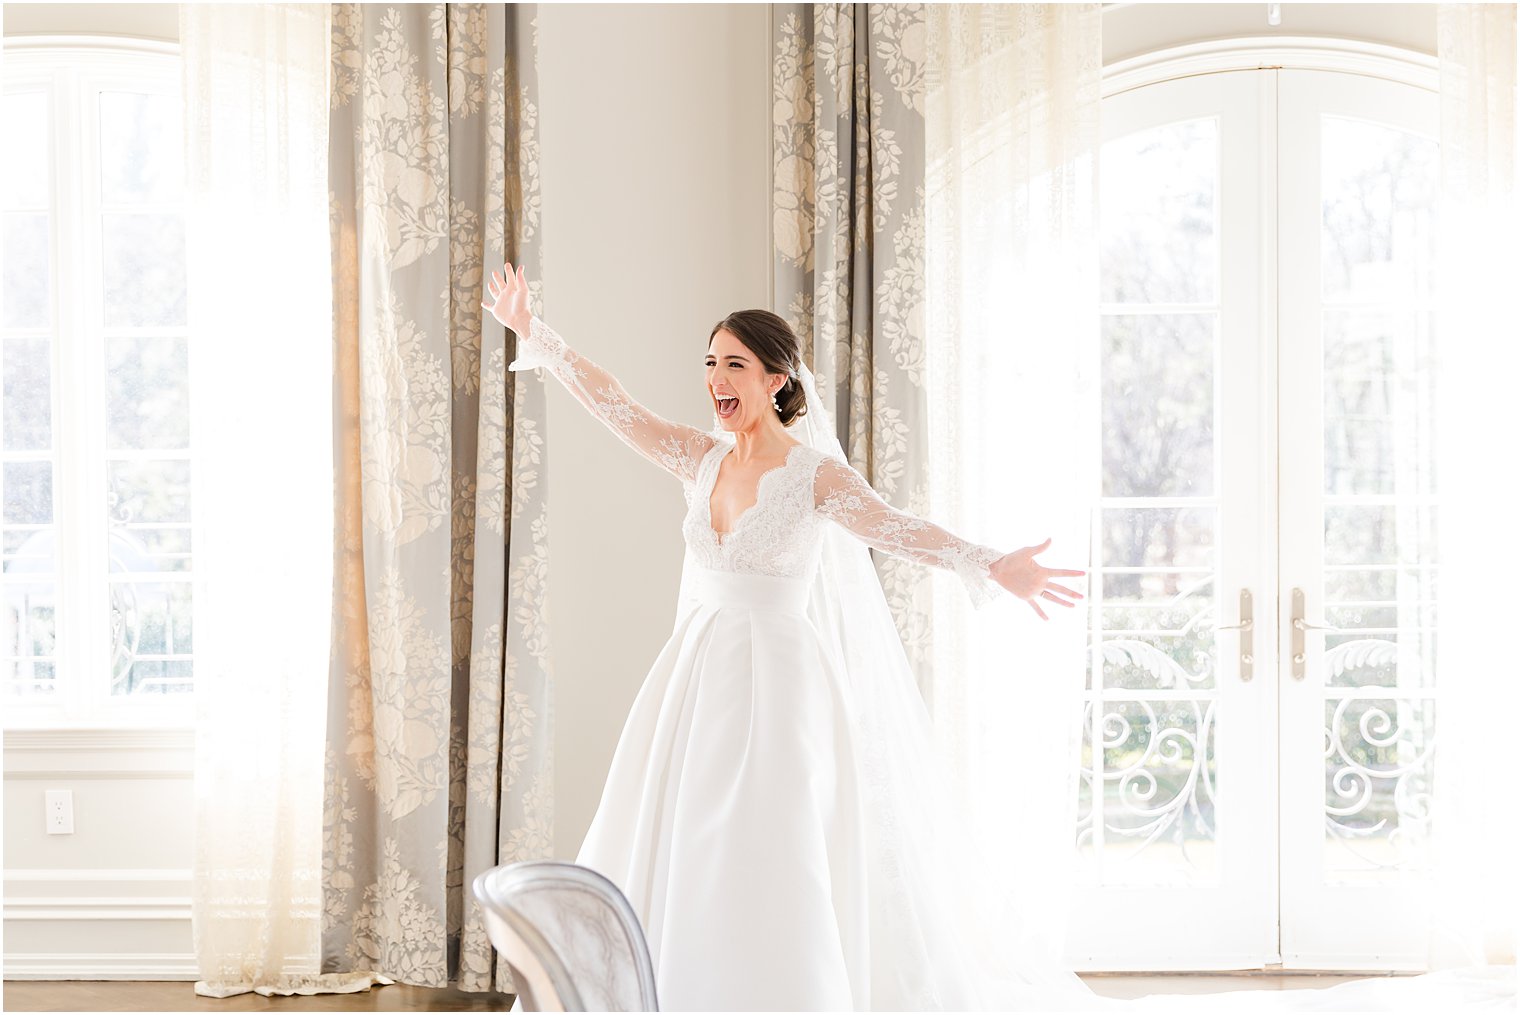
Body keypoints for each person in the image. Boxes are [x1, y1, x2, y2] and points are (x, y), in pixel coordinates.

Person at [483, 264, 1516, 1013]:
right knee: (674, 831)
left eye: (737, 364)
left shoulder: (810, 475)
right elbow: (615, 408)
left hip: (778, 682)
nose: (717, 378)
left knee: (765, 841)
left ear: (779, 381)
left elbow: (901, 530)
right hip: (696, 674)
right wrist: (542, 334)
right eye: (709, 362)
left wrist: (993, 564)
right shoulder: (698, 459)